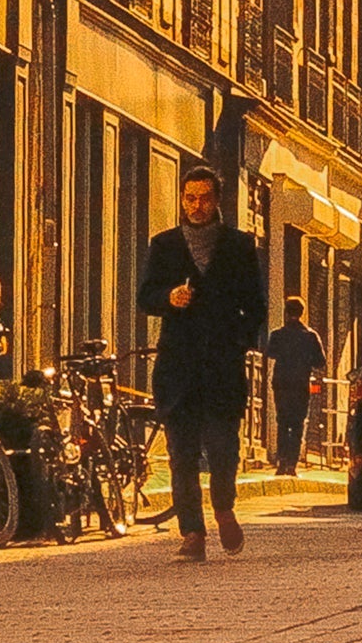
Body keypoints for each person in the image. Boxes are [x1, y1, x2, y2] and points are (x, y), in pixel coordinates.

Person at [137, 166, 267, 562]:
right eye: (190, 198)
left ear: (217, 200)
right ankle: (192, 533)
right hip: (178, 369)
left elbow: (257, 308)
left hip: (223, 370)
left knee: (223, 448)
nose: (196, 206)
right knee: (182, 456)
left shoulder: (239, 246)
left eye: (204, 198)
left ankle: (224, 508)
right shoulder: (164, 245)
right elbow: (145, 297)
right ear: (182, 199)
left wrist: (237, 341)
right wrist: (168, 297)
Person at [265, 298, 324, 478]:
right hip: (300, 384)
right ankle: (292, 464)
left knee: (283, 422)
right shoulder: (310, 336)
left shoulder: (277, 335)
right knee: (297, 424)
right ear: (302, 312)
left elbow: (270, 353)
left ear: (286, 312)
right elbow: (320, 361)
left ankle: (282, 462)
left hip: (282, 384)